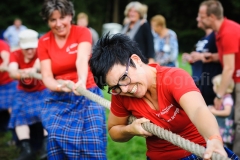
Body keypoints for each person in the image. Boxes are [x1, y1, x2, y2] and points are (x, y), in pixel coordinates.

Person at [88, 33, 240, 160]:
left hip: (200, 152)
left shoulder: (174, 78)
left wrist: (214, 139)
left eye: (124, 78)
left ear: (136, 60)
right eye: (115, 87)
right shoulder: (120, 93)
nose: (125, 89)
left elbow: (198, 109)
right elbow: (114, 130)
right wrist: (130, 130)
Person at [38, 0, 107, 159]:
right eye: (53, 20)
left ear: (70, 16)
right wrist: (60, 87)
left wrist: (81, 81)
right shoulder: (43, 42)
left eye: (62, 17)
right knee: (56, 138)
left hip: (87, 91)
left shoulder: (82, 32)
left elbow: (82, 59)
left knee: (92, 141)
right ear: (47, 21)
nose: (58, 23)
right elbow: (47, 76)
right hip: (59, 95)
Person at [198, 0, 240, 156]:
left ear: (212, 17)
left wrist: (219, 96)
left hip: (237, 80)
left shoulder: (228, 32)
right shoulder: (220, 31)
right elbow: (230, 55)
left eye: (202, 16)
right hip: (235, 79)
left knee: (239, 122)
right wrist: (212, 57)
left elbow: (229, 67)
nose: (200, 19)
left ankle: (235, 156)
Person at [8, 29, 48, 160]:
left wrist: (33, 70)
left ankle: (45, 147)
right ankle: (27, 149)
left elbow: (38, 65)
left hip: (42, 90)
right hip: (23, 92)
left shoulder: (41, 52)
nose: (30, 51)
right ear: (21, 46)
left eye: (32, 48)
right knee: (18, 111)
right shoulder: (15, 54)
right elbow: (12, 71)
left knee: (46, 111)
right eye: (27, 48)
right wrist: (20, 73)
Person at [182, 16, 222, 106]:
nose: (197, 19)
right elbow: (199, 58)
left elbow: (222, 55)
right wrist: (191, 58)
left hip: (211, 82)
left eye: (201, 16)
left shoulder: (215, 36)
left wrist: (200, 56)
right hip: (199, 80)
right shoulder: (202, 39)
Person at [208, 74, 235, 149]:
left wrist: (214, 112)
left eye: (214, 85)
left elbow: (227, 112)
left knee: (224, 147)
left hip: (225, 129)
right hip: (221, 128)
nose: (213, 87)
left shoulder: (227, 99)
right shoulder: (223, 98)